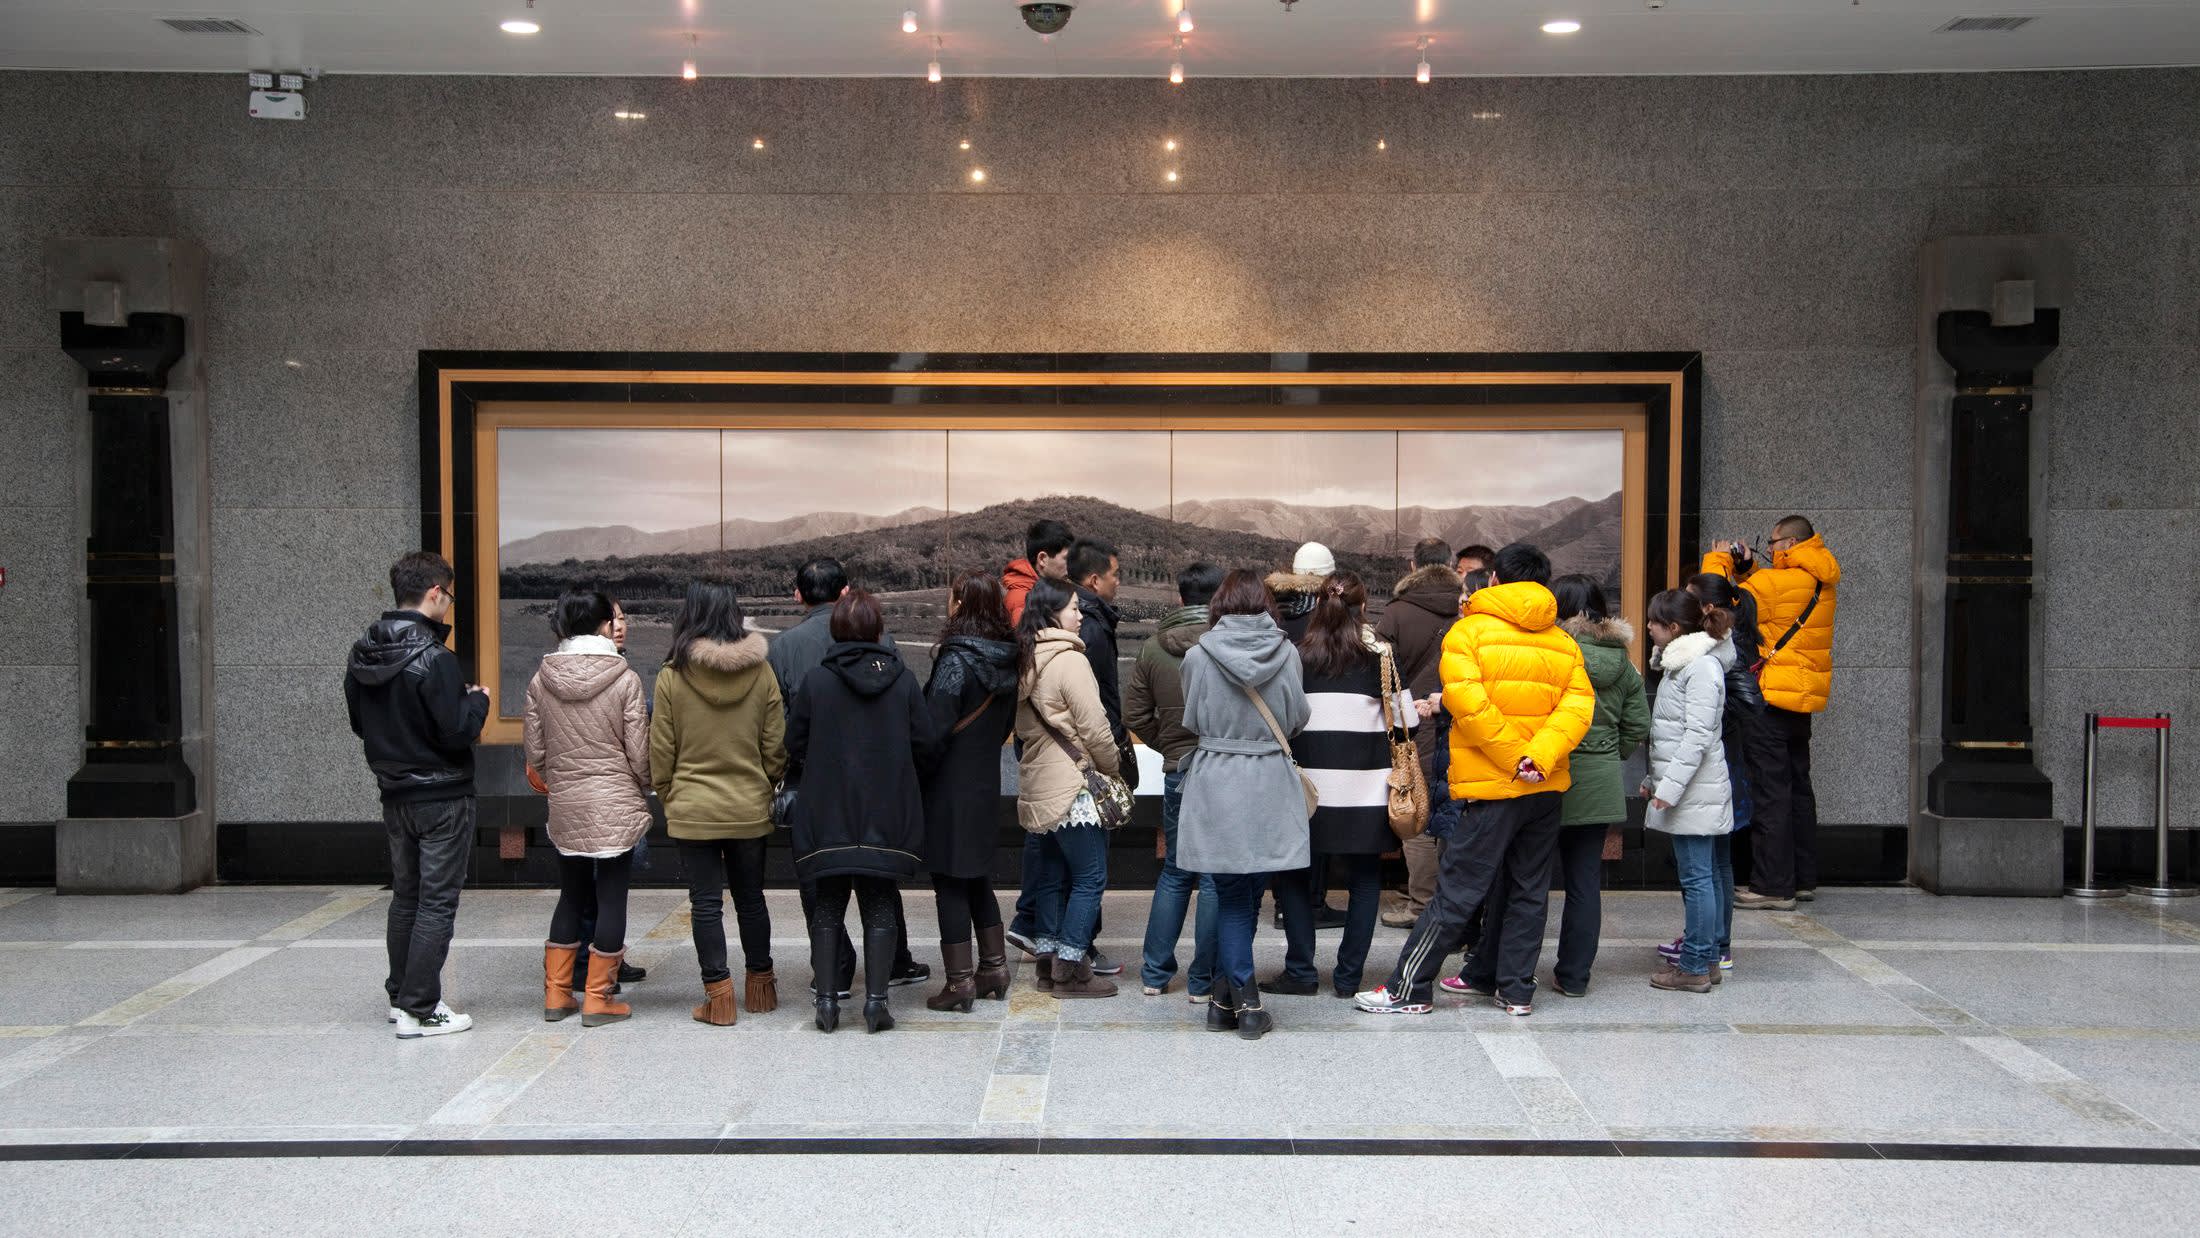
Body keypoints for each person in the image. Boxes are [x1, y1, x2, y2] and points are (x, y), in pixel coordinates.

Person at [1355, 543, 1595, 1018]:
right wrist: (1536, 758)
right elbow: (1578, 709)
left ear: (1493, 581)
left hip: (1491, 786)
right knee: (1529, 889)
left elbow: (1470, 704)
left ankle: (1410, 987)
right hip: (1544, 785)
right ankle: (1516, 990)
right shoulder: (1564, 642)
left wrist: (1514, 758)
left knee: (1458, 889)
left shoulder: (1469, 634)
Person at [1452, 575, 1647, 999]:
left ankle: (1501, 971)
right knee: (1584, 883)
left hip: (1544, 778)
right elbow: (1638, 724)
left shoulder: (1554, 649)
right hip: (1599, 785)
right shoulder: (1624, 662)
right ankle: (1574, 976)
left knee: (1522, 880)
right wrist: (1609, 755)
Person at [768, 557, 928, 996]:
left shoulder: (782, 648)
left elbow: (785, 728)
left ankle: (834, 977)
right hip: (879, 787)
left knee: (821, 886)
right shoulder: (888, 646)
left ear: (798, 594)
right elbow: (911, 727)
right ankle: (893, 967)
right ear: (845, 593)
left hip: (817, 786)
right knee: (879, 881)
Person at [346, 551, 490, 1039]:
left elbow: (359, 725)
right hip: (443, 795)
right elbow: (456, 733)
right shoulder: (436, 658)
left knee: (406, 897)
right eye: (448, 595)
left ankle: (400, 996)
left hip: (394, 793)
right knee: (436, 902)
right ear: (434, 593)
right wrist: (479, 701)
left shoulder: (362, 654)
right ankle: (421, 1008)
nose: (448, 605)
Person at [1177, 570, 1312, 1040]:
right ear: (1265, 606)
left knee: (1235, 896)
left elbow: (1192, 717)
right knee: (1248, 895)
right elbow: (1297, 719)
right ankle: (1240, 1004)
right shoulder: (1288, 653)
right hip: (1269, 780)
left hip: (1217, 779)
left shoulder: (1198, 654)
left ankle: (1230, 1002)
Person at [1272, 571, 1419, 999]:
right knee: (1365, 880)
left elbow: (1285, 717)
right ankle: (1348, 977)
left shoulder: (1296, 655)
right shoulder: (1381, 657)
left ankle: (1300, 971)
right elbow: (1406, 722)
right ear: (1363, 607)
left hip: (1307, 789)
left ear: (1318, 606)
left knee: (1296, 877)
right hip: (1365, 789)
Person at [650, 580, 785, 1027]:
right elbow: (775, 747)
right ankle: (761, 989)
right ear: (733, 613)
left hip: (693, 808)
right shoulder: (761, 672)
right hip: (749, 806)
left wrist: (672, 796)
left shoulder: (672, 674)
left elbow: (661, 750)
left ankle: (719, 999)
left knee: (705, 903)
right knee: (751, 899)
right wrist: (765, 786)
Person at [523, 590, 652, 1027]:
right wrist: (644, 784)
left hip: (567, 803)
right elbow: (640, 754)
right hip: (615, 802)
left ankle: (557, 996)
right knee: (611, 898)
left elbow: (536, 754)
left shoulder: (541, 680)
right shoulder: (625, 679)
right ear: (603, 625)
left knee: (572, 895)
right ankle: (598, 999)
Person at [1705, 516, 1840, 910]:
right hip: (1802, 699)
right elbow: (1772, 602)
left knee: (1770, 791)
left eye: (1774, 542)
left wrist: (1719, 560)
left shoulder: (1775, 584)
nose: (1770, 548)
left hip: (1768, 701)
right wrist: (1750, 569)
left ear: (1789, 544)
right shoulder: (1820, 576)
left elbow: (1718, 604)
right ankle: (1801, 879)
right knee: (1798, 788)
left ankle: (1772, 885)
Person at [1013, 576, 1123, 999]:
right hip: (1073, 782)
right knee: (1091, 876)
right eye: (1074, 607)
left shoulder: (1026, 658)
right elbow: (1095, 728)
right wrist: (1110, 767)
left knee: (1053, 875)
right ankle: (1072, 969)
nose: (1080, 615)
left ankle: (1047, 962)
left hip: (1041, 778)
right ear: (1053, 612)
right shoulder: (1070, 660)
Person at [919, 571, 1021, 1012]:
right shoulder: (1009, 657)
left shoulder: (955, 660)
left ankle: (960, 981)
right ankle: (994, 967)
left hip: (949, 783)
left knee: (949, 880)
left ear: (960, 604)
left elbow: (933, 728)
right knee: (976, 873)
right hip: (984, 779)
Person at [1127, 562, 1223, 1001]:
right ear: (1219, 598)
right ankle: (1202, 982)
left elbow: (1133, 716)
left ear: (1181, 598)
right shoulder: (1228, 645)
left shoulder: (1151, 648)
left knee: (1175, 873)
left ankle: (1154, 974)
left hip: (1179, 768)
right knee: (1216, 879)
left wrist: (1167, 746)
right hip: (1225, 769)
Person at [1641, 589, 1736, 993]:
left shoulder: (1699, 668)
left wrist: (1670, 787)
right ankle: (1707, 959)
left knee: (1698, 878)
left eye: (1653, 622)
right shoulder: (1686, 665)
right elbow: (1673, 735)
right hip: (1694, 788)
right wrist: (1654, 780)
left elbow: (1697, 736)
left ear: (1674, 628)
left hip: (1694, 791)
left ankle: (1696, 964)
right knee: (1707, 876)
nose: (1648, 628)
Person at [1377, 538, 1464, 928]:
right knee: (1453, 811)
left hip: (1411, 723)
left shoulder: (1395, 614)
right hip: (1460, 720)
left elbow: (1381, 675)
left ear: (1413, 566)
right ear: (1452, 565)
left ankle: (1421, 903)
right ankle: (1448, 899)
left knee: (1417, 809)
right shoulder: (1468, 610)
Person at [1264, 541, 1345, 928]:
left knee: (1284, 819)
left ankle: (1284, 901)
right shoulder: (1325, 619)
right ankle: (1310, 904)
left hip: (1276, 730)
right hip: (1316, 728)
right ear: (1328, 577)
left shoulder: (1271, 612)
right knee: (1315, 817)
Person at [1003, 518, 1075, 627]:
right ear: (1042, 559)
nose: (1070, 565)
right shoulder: (1022, 601)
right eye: (1066, 558)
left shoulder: (1040, 591)